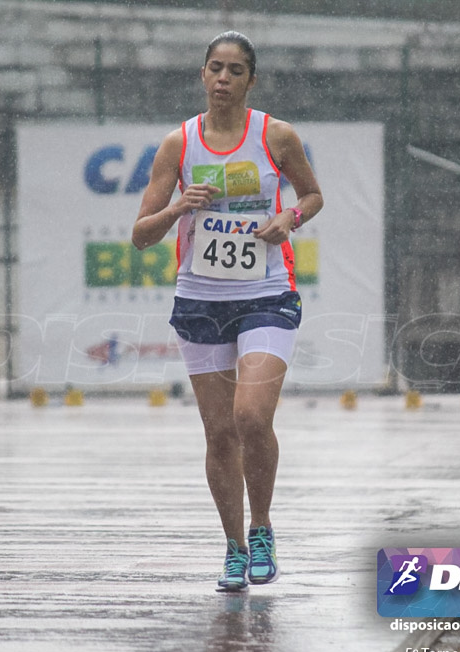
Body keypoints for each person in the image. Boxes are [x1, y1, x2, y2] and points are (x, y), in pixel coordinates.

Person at [132, 31, 323, 591]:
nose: (223, 78)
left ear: (250, 80)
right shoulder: (179, 144)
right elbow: (141, 235)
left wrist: (290, 217)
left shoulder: (276, 136)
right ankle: (234, 548)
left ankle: (262, 529)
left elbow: (312, 196)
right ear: (202, 75)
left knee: (250, 419)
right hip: (201, 300)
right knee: (219, 433)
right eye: (215, 68)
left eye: (235, 70)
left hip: (266, 293)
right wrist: (177, 207)